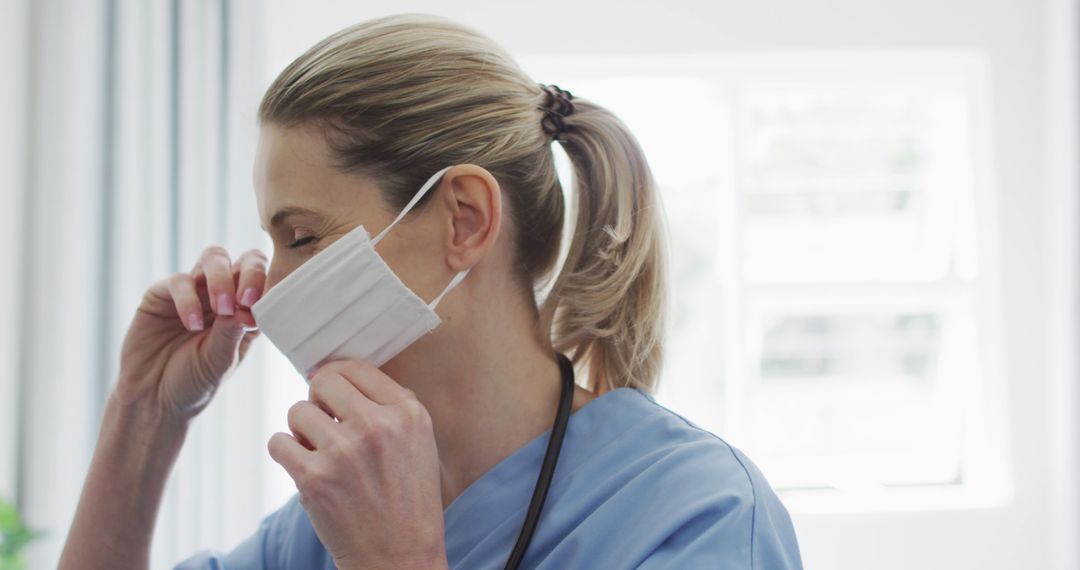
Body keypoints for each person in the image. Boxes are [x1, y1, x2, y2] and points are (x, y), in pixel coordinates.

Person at [59, 13, 802, 570]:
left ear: (465, 219)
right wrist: (145, 415)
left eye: (306, 237)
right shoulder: (319, 532)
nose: (270, 286)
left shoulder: (700, 517)